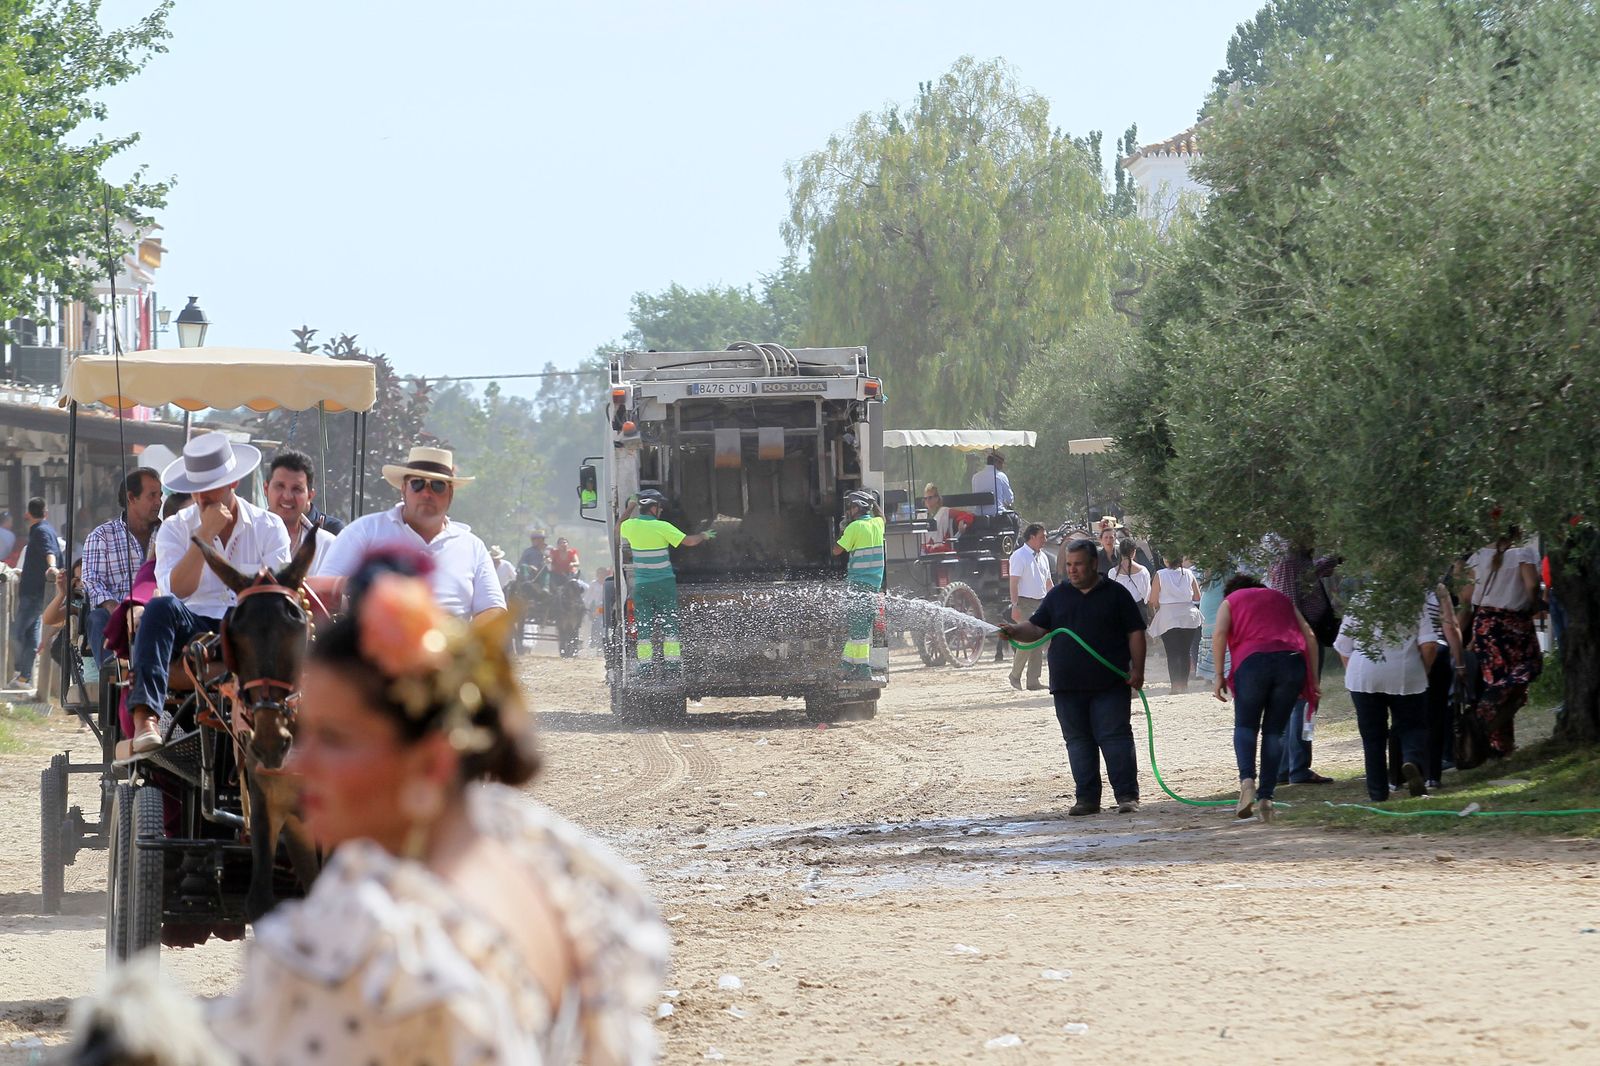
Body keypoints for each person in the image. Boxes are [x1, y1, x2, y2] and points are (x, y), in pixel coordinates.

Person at [69, 556, 670, 1065]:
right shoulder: (566, 872)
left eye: (335, 740)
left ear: (431, 762)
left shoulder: (360, 944)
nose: (302, 762)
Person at [128, 433, 293, 753]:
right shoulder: (176, 528)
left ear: (233, 484)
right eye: (196, 488)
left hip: (249, 627)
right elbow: (178, 589)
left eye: (211, 486)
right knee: (160, 607)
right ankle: (145, 717)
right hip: (195, 627)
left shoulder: (269, 526)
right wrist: (204, 535)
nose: (202, 496)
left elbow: (277, 593)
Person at [999, 539, 1146, 816]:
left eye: (1078, 564)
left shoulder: (1116, 594)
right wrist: (1015, 630)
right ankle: (1087, 800)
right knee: (1078, 742)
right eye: (1068, 565)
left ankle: (1127, 796)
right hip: (1067, 686)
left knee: (1115, 738)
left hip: (1110, 684)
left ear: (1093, 564)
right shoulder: (1057, 596)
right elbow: (1036, 627)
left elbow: (1135, 633)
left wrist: (1137, 670)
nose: (1073, 570)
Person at [320, 446, 506, 622]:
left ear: (450, 493)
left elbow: (493, 608)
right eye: (417, 484)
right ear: (403, 489)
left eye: (438, 486)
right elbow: (321, 588)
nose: (426, 493)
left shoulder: (473, 546)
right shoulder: (363, 531)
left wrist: (462, 641)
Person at [1210, 574, 1317, 822]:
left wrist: (1218, 675)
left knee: (1246, 726)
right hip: (1291, 664)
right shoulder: (1281, 598)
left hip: (1253, 663)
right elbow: (1309, 636)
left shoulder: (1231, 601)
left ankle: (1247, 781)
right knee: (1274, 732)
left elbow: (1219, 634)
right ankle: (1267, 798)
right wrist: (1314, 680)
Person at [1335, 596, 1438, 802]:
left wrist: (1355, 674)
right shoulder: (1415, 600)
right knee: (1413, 726)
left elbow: (1343, 646)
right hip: (1404, 671)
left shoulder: (1358, 601)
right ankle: (1412, 762)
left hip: (1363, 674)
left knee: (1373, 738)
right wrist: (1423, 671)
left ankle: (1377, 793)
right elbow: (1429, 645)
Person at [1458, 528, 1543, 758]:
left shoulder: (1478, 556)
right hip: (1514, 625)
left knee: (1497, 680)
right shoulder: (1522, 553)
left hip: (1486, 625)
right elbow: (1533, 585)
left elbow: (1466, 598)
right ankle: (1482, 719)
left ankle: (1500, 745)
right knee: (1527, 669)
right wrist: (1536, 604)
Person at [618, 489, 713, 679]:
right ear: (653, 508)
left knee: (643, 627)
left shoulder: (631, 527)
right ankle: (672, 667)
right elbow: (688, 541)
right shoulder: (662, 527)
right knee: (670, 624)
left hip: (643, 585)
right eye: (659, 507)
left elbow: (617, 526)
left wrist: (630, 507)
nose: (661, 511)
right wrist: (704, 535)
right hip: (664, 584)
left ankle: (645, 668)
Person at [1267, 541, 1340, 785]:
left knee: (1297, 704)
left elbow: (1311, 571)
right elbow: (1289, 604)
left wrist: (1335, 559)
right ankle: (1296, 767)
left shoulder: (1298, 561)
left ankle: (1287, 768)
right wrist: (1302, 643)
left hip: (1302, 638)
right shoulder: (1289, 562)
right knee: (1303, 702)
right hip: (1300, 640)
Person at [82, 467, 163, 667]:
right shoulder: (101, 536)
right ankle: (114, 671)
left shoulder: (169, 534)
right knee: (97, 618)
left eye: (160, 495)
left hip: (158, 613)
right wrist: (117, 609)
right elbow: (91, 582)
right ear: (131, 498)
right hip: (116, 615)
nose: (159, 502)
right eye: (152, 495)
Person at [833, 489, 885, 680]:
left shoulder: (853, 528)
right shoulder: (878, 524)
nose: (850, 510)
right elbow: (882, 517)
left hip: (857, 585)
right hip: (874, 584)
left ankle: (863, 668)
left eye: (852, 506)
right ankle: (846, 663)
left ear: (858, 508)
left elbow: (837, 551)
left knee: (859, 628)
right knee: (859, 627)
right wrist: (874, 502)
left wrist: (841, 530)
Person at [8, 497, 58, 689]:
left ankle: (17, 669)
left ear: (27, 514)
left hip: (34, 593)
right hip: (36, 591)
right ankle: (24, 678)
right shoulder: (47, 530)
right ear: (46, 513)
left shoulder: (41, 531)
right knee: (31, 635)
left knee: (15, 633)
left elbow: (49, 551)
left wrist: (51, 566)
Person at [264, 450, 337, 576]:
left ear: (310, 496)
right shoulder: (245, 535)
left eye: (296, 489)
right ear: (265, 489)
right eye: (280, 486)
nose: (287, 496)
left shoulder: (327, 546)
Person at [1007, 523, 1054, 690]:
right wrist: (1015, 605)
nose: (1045, 540)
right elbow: (1013, 582)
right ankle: (1015, 675)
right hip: (1024, 602)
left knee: (1039, 641)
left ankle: (1033, 680)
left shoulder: (1043, 557)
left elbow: (1048, 581)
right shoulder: (1019, 556)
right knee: (1028, 640)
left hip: (1041, 603)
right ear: (1032, 537)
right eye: (1042, 537)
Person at [1148, 555, 1203, 692]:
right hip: (1188, 614)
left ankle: (1175, 686)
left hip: (1168, 616)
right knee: (1185, 652)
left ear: (1166, 559)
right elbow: (1197, 597)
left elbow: (1153, 599)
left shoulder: (1160, 574)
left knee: (1172, 653)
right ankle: (1184, 685)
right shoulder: (1189, 573)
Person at [918, 484, 972, 552]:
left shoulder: (944, 511)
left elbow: (966, 514)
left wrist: (962, 521)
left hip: (942, 549)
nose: (927, 500)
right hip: (925, 550)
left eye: (930, 498)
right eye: (925, 498)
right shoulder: (921, 516)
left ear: (937, 498)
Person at [1109, 538, 1152, 623]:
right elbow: (1147, 595)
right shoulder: (1143, 571)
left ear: (1120, 552)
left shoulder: (1112, 573)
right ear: (1134, 551)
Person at [969, 451, 1013, 516]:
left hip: (979, 515)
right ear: (996, 462)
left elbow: (975, 496)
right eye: (1002, 463)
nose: (1002, 466)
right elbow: (1010, 499)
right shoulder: (1001, 476)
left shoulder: (975, 477)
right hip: (997, 515)